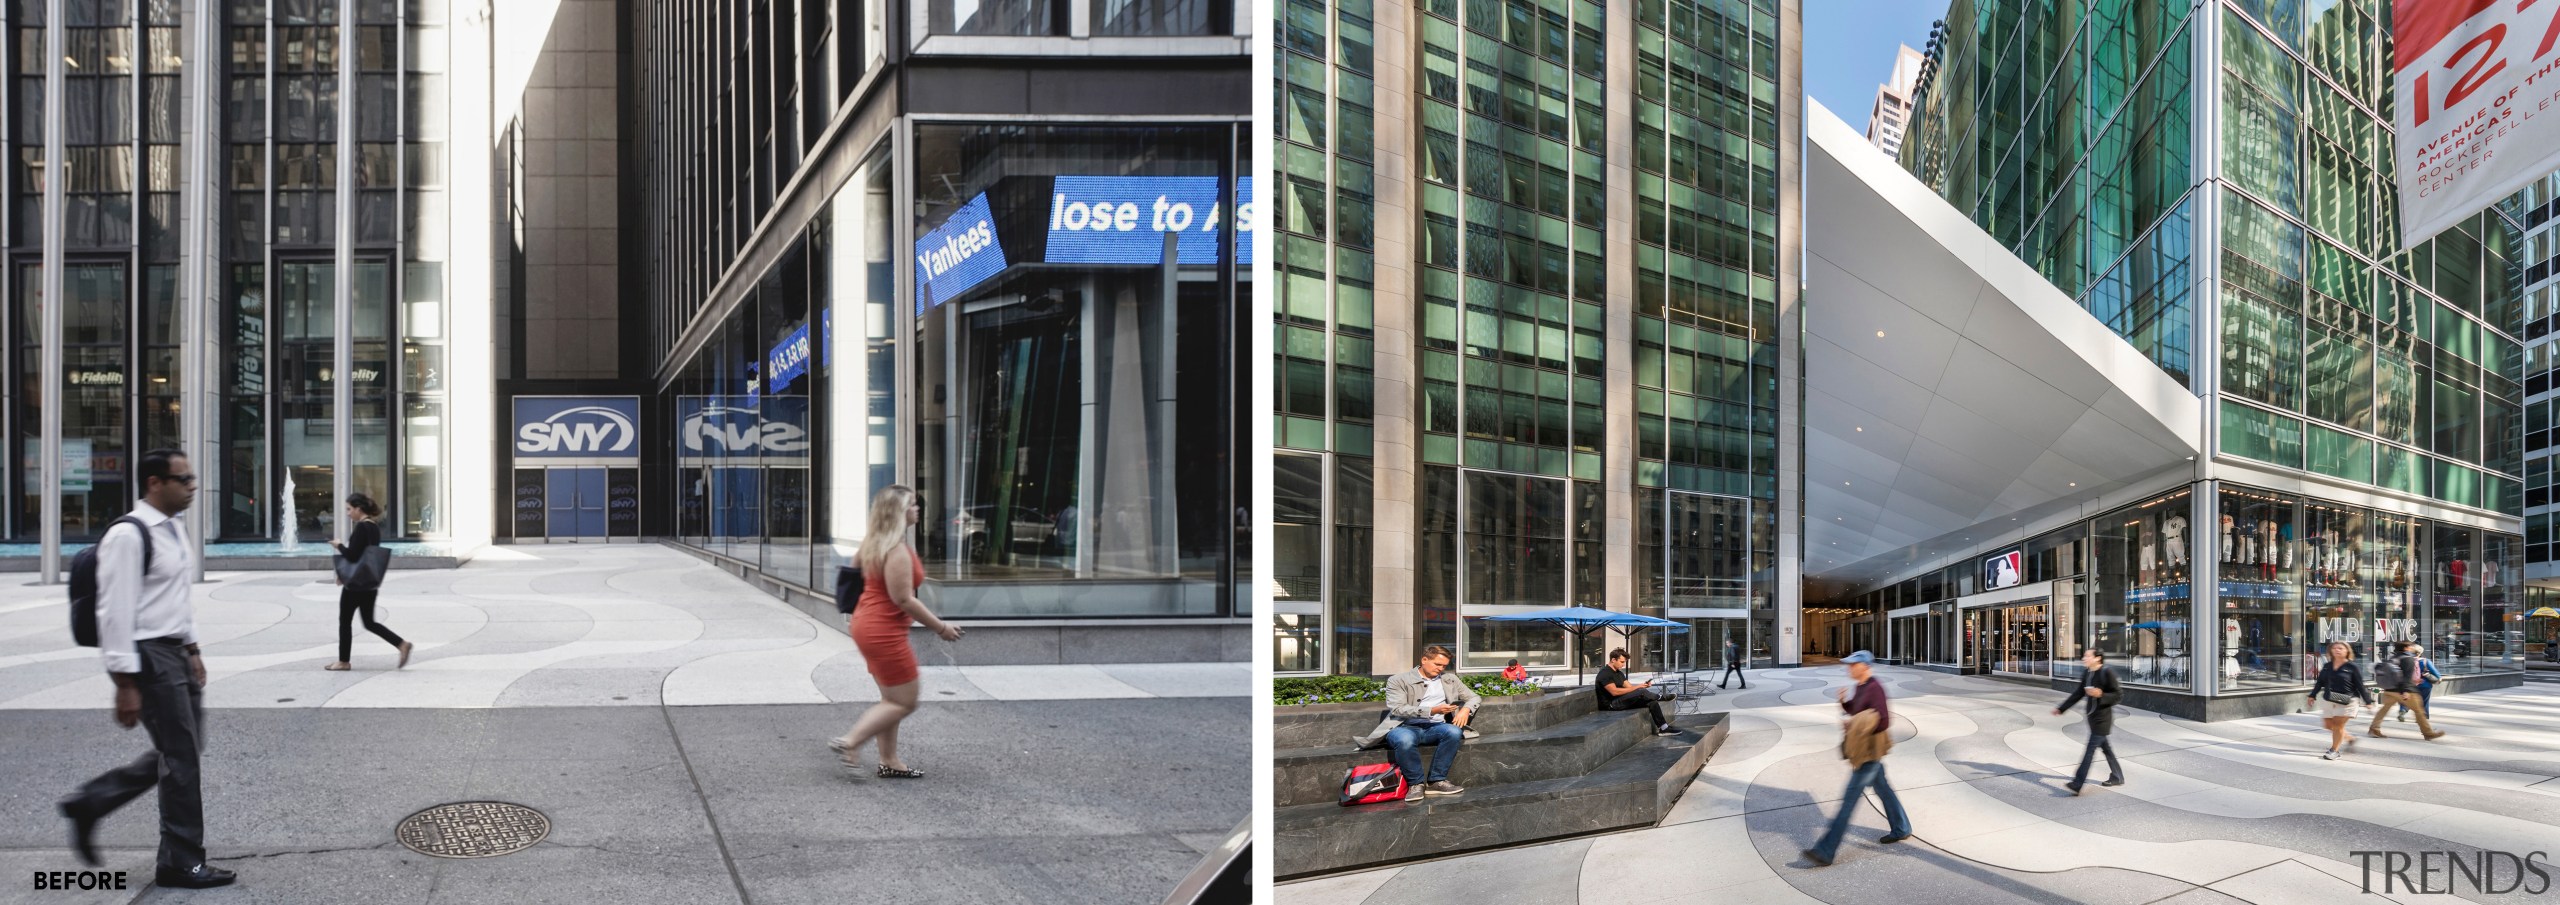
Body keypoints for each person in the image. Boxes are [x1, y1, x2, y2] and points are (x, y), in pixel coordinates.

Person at [58, 449, 235, 889]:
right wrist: (124, 682)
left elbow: (175, 596)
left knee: (184, 751)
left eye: (192, 477)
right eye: (183, 478)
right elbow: (114, 613)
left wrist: (192, 648)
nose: (193, 484)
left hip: (174, 651)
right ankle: (181, 860)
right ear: (155, 483)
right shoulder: (128, 535)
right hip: (148, 655)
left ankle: (92, 802)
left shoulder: (173, 529)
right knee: (180, 759)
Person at [828, 485, 965, 778]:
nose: (917, 509)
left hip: (866, 624)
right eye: (913, 505)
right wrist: (941, 628)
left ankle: (888, 761)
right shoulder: (897, 551)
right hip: (883, 631)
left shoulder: (872, 543)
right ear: (898, 511)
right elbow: (903, 599)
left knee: (891, 699)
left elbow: (853, 577)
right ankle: (851, 740)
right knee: (905, 700)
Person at [1801, 651, 1910, 867]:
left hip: (1869, 752)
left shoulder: (1875, 687)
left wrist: (1856, 724)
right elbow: (1855, 709)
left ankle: (1825, 850)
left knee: (1848, 801)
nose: (1848, 668)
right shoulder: (1860, 687)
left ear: (1864, 666)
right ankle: (1902, 828)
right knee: (1884, 790)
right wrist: (1844, 702)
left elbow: (1884, 721)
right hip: (1865, 751)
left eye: (1853, 665)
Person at [1352, 645, 1480, 801]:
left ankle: (1436, 781)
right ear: (1424, 660)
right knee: (1405, 740)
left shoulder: (1450, 679)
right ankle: (1415, 784)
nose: (1441, 669)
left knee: (1454, 732)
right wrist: (1431, 711)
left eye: (1444, 666)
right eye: (1437, 664)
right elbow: (1397, 708)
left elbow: (1474, 697)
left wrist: (1465, 709)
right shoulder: (1398, 680)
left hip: (1435, 727)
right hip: (1403, 726)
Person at [325, 493, 409, 671]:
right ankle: (401, 644)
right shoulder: (374, 527)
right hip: (369, 583)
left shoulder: (362, 527)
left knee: (345, 621)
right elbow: (364, 557)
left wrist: (338, 545)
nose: (348, 513)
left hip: (355, 586)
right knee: (370, 622)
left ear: (358, 509)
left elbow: (353, 555)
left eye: (349, 509)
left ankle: (343, 661)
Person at [2051, 649, 2123, 794]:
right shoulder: (2088, 673)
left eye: (2087, 656)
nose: (2084, 658)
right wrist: (2062, 708)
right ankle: (2117, 776)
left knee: (2089, 751)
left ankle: (2077, 783)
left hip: (2103, 719)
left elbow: (2118, 695)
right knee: (2106, 749)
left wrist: (2101, 694)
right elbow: (2078, 693)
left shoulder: (2107, 673)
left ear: (2097, 658)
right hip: (2092, 717)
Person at [2306, 640, 2372, 760]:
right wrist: (2312, 695)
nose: (2337, 650)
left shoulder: (2352, 667)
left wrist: (2368, 701)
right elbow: (2320, 682)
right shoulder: (2327, 666)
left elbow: (2360, 685)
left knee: (2337, 725)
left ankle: (2334, 751)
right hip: (2329, 698)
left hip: (2348, 700)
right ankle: (2350, 739)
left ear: (2347, 651)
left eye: (2340, 648)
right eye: (2334, 648)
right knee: (2328, 725)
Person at [2369, 641, 2445, 740]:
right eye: (2410, 646)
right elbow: (2407, 676)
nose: (2412, 647)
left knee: (2384, 709)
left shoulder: (2392, 658)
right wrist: (2406, 691)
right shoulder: (2408, 659)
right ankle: (2428, 733)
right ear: (2406, 648)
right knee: (2419, 711)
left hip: (2389, 689)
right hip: (2404, 690)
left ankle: (2374, 728)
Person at [1597, 649, 1679, 736]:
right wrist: (1639, 687)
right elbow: (1614, 692)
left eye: (1624, 662)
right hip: (1611, 705)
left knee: (1651, 702)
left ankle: (1664, 728)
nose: (1623, 665)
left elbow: (1630, 688)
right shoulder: (1605, 674)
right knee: (1642, 692)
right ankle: (1661, 697)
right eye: (1621, 662)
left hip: (1622, 700)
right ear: (1613, 660)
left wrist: (1643, 685)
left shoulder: (1619, 673)